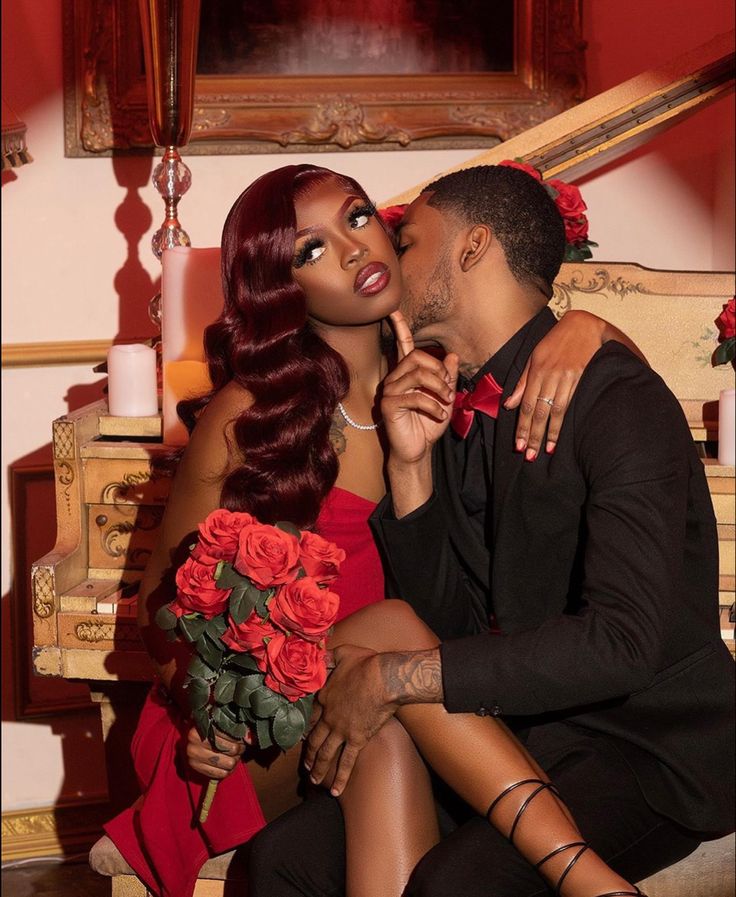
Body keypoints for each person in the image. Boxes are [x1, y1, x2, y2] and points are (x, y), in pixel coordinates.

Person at [101, 163, 650, 897]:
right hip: (250, 731)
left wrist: (586, 327)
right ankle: (589, 880)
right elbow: (157, 606)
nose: (355, 250)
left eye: (358, 219)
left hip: (381, 701)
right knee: (389, 631)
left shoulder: (440, 381)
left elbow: (609, 390)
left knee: (382, 723)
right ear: (282, 287)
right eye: (311, 249)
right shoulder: (247, 415)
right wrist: (205, 708)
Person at [251, 164, 735, 896]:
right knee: (279, 860)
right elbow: (455, 625)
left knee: (459, 885)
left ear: (473, 247)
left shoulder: (617, 400)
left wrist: (392, 678)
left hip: (651, 753)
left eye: (406, 240)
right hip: (516, 737)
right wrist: (411, 471)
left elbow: (620, 645)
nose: (384, 253)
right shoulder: (444, 403)